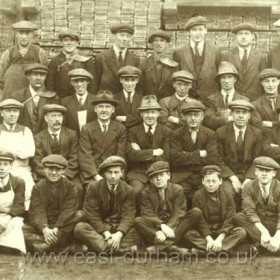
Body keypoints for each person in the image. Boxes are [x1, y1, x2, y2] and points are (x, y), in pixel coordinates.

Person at [74, 156, 141, 254]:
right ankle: (120, 250)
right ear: (104, 173)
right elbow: (91, 214)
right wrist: (105, 233)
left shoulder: (129, 190)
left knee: (139, 230)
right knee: (79, 228)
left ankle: (102, 248)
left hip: (119, 228)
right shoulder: (93, 187)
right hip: (101, 229)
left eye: (116, 172)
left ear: (122, 173)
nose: (113, 176)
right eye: (110, 172)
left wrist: (119, 234)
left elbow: (128, 215)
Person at [135, 161, 202, 256]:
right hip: (157, 227)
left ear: (168, 176)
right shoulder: (146, 192)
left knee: (196, 212)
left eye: (161, 175)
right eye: (154, 176)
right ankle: (172, 248)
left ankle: (159, 247)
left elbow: (179, 213)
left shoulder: (177, 189)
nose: (158, 179)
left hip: (175, 226)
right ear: (150, 180)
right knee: (138, 221)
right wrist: (162, 226)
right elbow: (147, 213)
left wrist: (168, 229)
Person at [23, 154, 82, 253]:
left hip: (62, 227)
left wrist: (57, 227)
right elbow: (37, 211)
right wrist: (45, 229)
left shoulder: (70, 187)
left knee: (80, 215)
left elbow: (68, 210)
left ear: (63, 170)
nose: (54, 173)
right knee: (22, 230)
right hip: (45, 226)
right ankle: (63, 247)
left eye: (58, 170)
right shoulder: (38, 187)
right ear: (45, 169)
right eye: (50, 169)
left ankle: (46, 246)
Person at [185, 165, 246, 254]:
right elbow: (200, 221)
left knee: (241, 232)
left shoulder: (227, 195)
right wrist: (209, 239)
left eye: (214, 181)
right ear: (202, 181)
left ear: (220, 181)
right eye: (208, 181)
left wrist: (219, 239)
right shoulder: (197, 196)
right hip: (205, 233)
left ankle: (206, 251)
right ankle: (226, 250)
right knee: (188, 234)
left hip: (222, 231)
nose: (211, 184)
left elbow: (230, 218)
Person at [126, 95, 172, 213]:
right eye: (146, 112)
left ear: (158, 114)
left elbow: (166, 157)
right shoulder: (133, 131)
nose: (150, 116)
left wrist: (141, 153)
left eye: (153, 112)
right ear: (141, 114)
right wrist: (154, 152)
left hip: (159, 172)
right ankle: (136, 218)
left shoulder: (166, 132)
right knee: (136, 191)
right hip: (138, 173)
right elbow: (131, 155)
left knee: (165, 191)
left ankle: (160, 219)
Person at [33, 104, 83, 207]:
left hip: (67, 174)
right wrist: (50, 175)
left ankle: (75, 215)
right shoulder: (38, 137)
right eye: (53, 116)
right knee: (40, 189)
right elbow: (37, 160)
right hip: (46, 174)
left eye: (59, 116)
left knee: (78, 188)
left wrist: (65, 174)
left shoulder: (71, 134)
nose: (57, 119)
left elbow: (74, 157)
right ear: (46, 118)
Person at [170, 99, 218, 207]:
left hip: (201, 175)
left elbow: (212, 159)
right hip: (182, 176)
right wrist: (200, 154)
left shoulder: (211, 134)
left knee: (206, 194)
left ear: (202, 117)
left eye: (196, 115)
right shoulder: (176, 134)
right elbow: (176, 159)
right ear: (184, 117)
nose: (193, 118)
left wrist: (186, 154)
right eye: (189, 115)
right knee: (177, 193)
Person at [216, 100, 262, 208]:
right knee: (227, 193)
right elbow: (218, 159)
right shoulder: (221, 132)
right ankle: (230, 221)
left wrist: (248, 179)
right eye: (237, 112)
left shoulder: (256, 134)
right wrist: (232, 177)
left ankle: (249, 222)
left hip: (249, 174)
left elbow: (257, 160)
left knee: (254, 193)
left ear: (249, 116)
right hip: (228, 174)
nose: (241, 116)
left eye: (244, 113)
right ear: (232, 114)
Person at [232, 157, 280, 253]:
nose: (264, 174)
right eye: (261, 170)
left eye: (268, 171)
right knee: (238, 217)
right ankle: (271, 246)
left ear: (274, 173)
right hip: (257, 225)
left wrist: (278, 237)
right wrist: (264, 232)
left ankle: (263, 245)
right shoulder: (248, 187)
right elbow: (249, 211)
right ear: (256, 172)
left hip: (275, 225)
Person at [79, 90, 126, 185]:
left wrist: (114, 174)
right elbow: (85, 155)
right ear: (95, 109)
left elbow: (121, 154)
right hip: (93, 172)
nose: (104, 110)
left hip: (114, 171)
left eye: (107, 107)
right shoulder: (86, 129)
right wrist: (96, 175)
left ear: (113, 110)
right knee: (93, 189)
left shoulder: (120, 128)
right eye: (100, 106)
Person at [3, 63, 60, 134]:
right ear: (28, 76)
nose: (38, 78)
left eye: (42, 75)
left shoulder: (52, 98)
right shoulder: (17, 97)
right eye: (35, 74)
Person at [172, 15, 220, 98]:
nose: (197, 33)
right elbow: (175, 77)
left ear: (206, 30)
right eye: (194, 30)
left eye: (200, 29)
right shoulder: (179, 51)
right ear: (189, 32)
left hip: (210, 98)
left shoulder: (215, 50)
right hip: (187, 98)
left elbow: (219, 76)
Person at [0, 99, 35, 210]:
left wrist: (6, 150)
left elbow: (30, 151)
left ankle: (23, 218)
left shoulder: (26, 131)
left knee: (29, 191)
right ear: (2, 113)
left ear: (19, 113)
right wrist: (19, 151)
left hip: (22, 169)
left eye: (15, 111)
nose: (12, 114)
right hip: (2, 169)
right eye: (8, 111)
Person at [0, 20, 48, 99]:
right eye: (21, 33)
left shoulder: (39, 52)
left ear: (31, 35)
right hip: (11, 92)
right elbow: (1, 74)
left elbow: (46, 73)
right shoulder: (8, 53)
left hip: (32, 93)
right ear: (16, 35)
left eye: (27, 33)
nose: (24, 36)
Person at [221, 23, 267, 101]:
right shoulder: (227, 56)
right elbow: (222, 79)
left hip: (255, 100)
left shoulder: (261, 57)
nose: (243, 36)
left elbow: (264, 80)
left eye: (246, 34)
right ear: (236, 37)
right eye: (240, 34)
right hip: (233, 100)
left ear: (252, 36)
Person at [46, 29, 95, 98]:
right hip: (60, 100)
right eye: (65, 40)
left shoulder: (87, 61)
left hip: (80, 99)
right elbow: (50, 85)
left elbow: (92, 84)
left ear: (77, 42)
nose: (69, 43)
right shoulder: (55, 61)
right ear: (61, 42)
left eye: (72, 40)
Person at [93, 24, 140, 94]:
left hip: (125, 100)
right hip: (106, 99)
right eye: (122, 35)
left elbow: (138, 84)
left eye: (128, 36)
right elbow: (95, 83)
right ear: (114, 36)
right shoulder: (101, 57)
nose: (124, 39)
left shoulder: (135, 59)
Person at [204, 61, 250, 130]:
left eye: (229, 77)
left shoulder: (244, 100)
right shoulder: (211, 100)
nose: (226, 81)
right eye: (223, 77)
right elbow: (208, 120)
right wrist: (228, 119)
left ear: (235, 79)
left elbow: (247, 121)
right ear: (219, 80)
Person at [0, 151, 26, 254]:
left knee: (15, 226)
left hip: (11, 216)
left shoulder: (18, 182)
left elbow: (19, 205)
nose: (1, 168)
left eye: (5, 164)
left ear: (11, 165)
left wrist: (7, 219)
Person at [142, 30, 178, 100]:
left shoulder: (174, 65)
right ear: (152, 43)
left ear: (167, 43)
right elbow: (140, 88)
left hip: (168, 105)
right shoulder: (144, 64)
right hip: (149, 105)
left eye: (162, 40)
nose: (158, 44)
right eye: (156, 40)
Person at [61, 68, 96, 136]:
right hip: (72, 142)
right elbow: (63, 126)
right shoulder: (65, 102)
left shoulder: (96, 100)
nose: (79, 85)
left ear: (88, 82)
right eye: (76, 81)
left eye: (82, 81)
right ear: (72, 83)